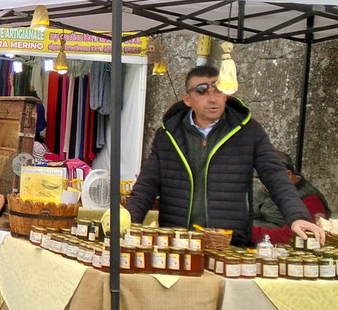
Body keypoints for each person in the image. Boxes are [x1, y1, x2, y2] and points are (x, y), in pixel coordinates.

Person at [125, 65, 325, 247]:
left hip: (230, 242)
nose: (212, 98)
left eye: (218, 90)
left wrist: (297, 216)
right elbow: (147, 185)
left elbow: (275, 175)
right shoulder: (168, 134)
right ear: (188, 99)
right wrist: (126, 222)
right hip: (178, 242)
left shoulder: (249, 131)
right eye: (202, 91)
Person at [253, 151, 331, 244]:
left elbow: (291, 236)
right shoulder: (266, 189)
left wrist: (244, 233)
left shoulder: (312, 200)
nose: (264, 183)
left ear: (288, 175)